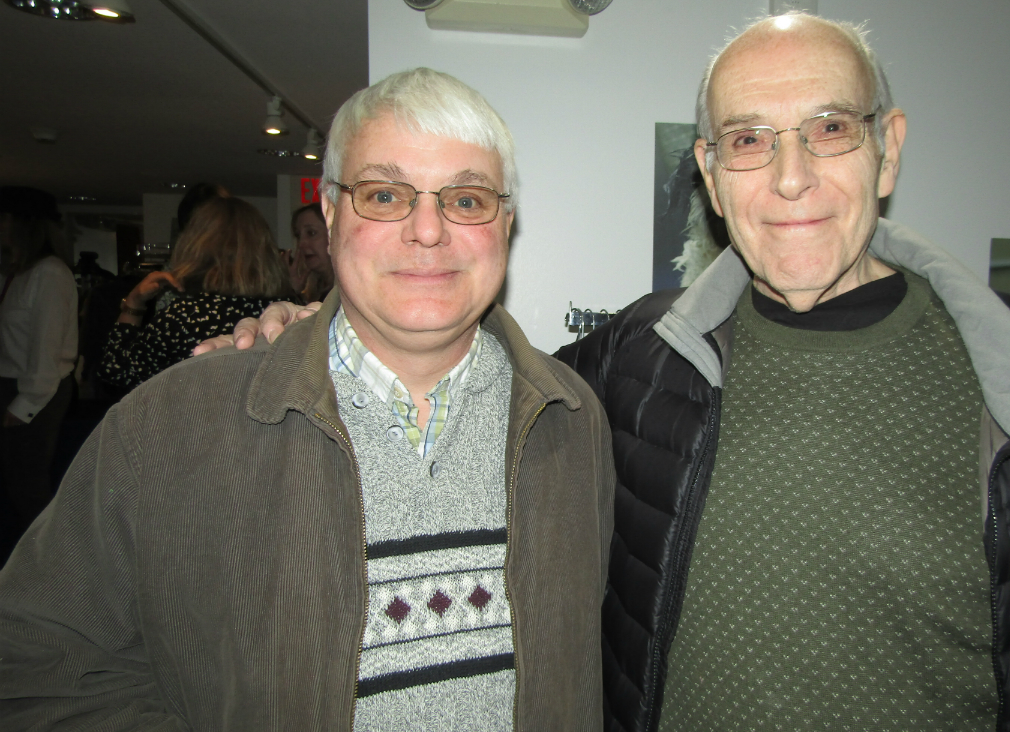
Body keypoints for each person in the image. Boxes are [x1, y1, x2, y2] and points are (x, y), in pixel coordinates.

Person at [217, 13, 1010, 731]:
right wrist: (312, 333)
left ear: (887, 151)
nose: (791, 176)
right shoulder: (639, 365)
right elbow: (462, 373)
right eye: (750, 141)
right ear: (714, 180)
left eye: (830, 129)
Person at [0, 68, 613, 730]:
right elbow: (37, 667)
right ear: (328, 215)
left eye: (466, 200)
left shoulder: (574, 421)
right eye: (384, 195)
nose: (428, 231)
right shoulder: (170, 423)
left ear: (506, 223)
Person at [97, 196, 293, 392]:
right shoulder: (286, 312)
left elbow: (116, 371)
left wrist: (134, 304)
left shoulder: (183, 317)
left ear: (194, 247)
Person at [0, 186, 78, 557]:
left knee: (26, 485)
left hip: (37, 388)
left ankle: (50, 565)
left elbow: (47, 347)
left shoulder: (49, 273)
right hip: (15, 383)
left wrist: (24, 404)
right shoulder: (18, 273)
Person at [287, 202, 335, 302]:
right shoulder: (318, 293)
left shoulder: (349, 293)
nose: (301, 244)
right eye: (298, 236)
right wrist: (294, 290)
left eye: (311, 233)